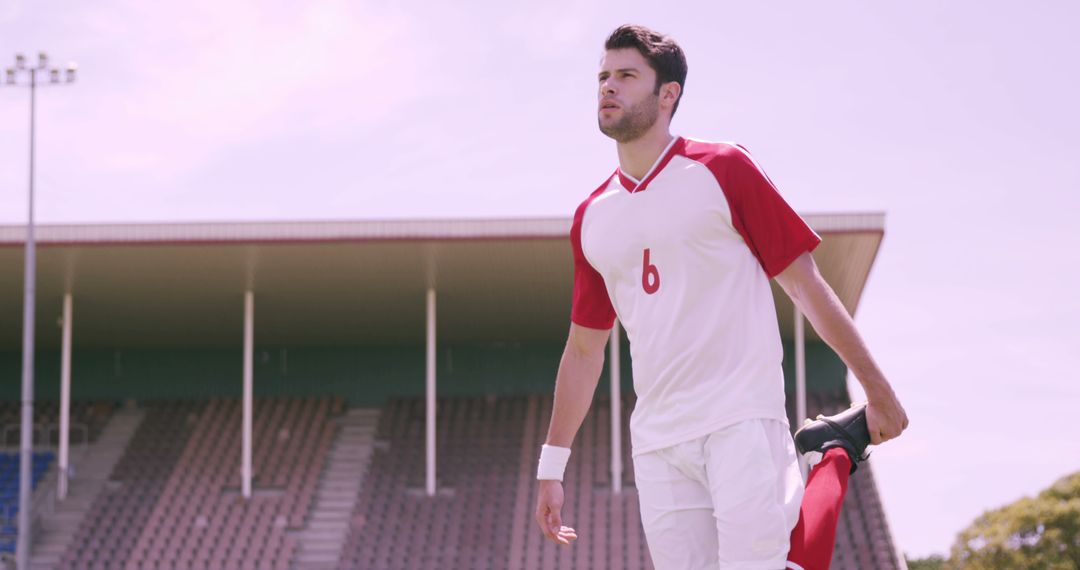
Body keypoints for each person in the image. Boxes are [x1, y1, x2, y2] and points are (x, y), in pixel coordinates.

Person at [533, 24, 909, 569]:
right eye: (603, 76)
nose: (608, 87)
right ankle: (831, 450)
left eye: (626, 76)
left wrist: (878, 388)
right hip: (658, 442)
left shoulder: (724, 167)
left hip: (740, 418)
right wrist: (552, 465)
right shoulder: (591, 217)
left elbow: (806, 284)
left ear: (668, 94)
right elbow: (585, 350)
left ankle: (832, 454)